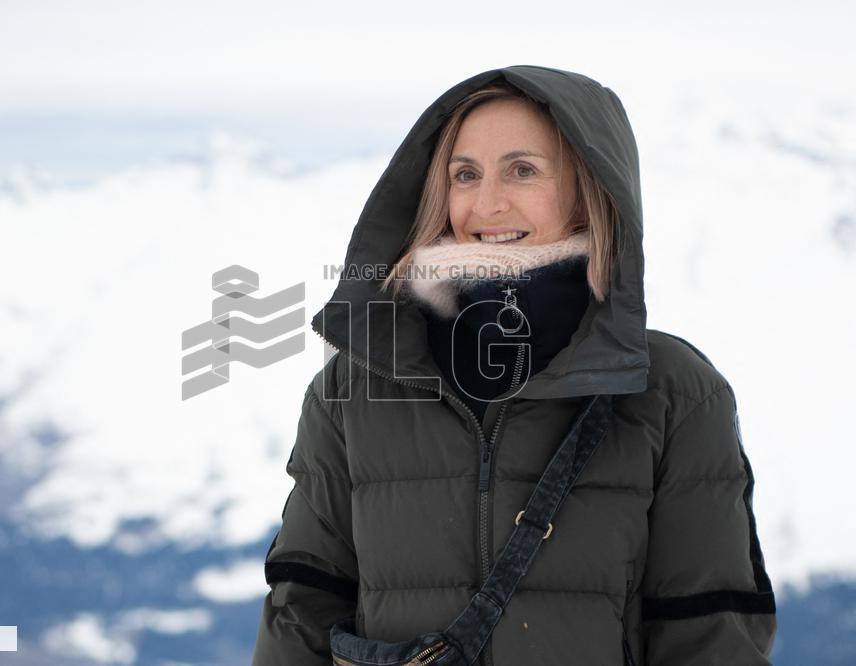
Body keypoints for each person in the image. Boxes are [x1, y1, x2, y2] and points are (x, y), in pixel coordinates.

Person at [251, 65, 777, 665]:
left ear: (591, 187)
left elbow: (710, 635)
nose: (487, 203)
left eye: (522, 171)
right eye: (464, 174)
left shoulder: (673, 391)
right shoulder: (352, 387)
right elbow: (303, 613)